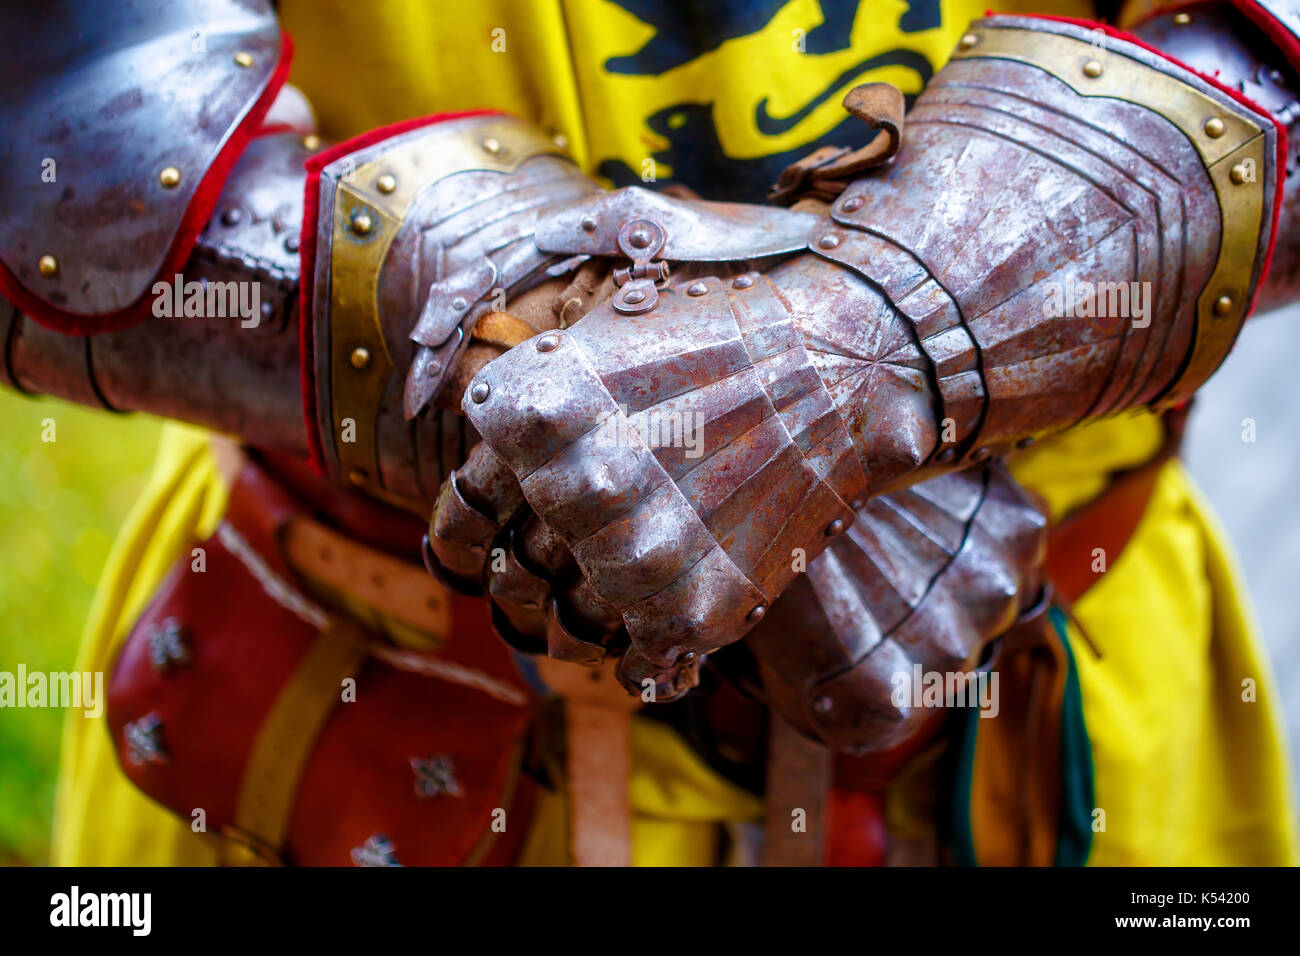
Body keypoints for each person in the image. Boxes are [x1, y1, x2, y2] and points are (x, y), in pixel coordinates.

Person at [3, 0, 1296, 866]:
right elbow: (64, 163)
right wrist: (544, 367)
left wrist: (867, 352)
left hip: (1035, 699)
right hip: (384, 708)